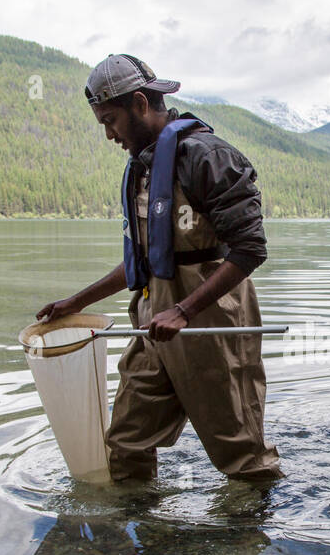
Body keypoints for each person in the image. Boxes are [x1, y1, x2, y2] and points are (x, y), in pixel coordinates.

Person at [37, 53, 281, 482]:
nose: (109, 134)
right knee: (126, 442)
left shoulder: (209, 158)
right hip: (154, 319)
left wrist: (184, 311)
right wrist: (76, 302)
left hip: (212, 319)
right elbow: (146, 257)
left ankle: (249, 539)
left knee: (242, 455)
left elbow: (249, 249)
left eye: (110, 120)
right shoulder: (142, 168)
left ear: (140, 104)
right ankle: (145, 538)